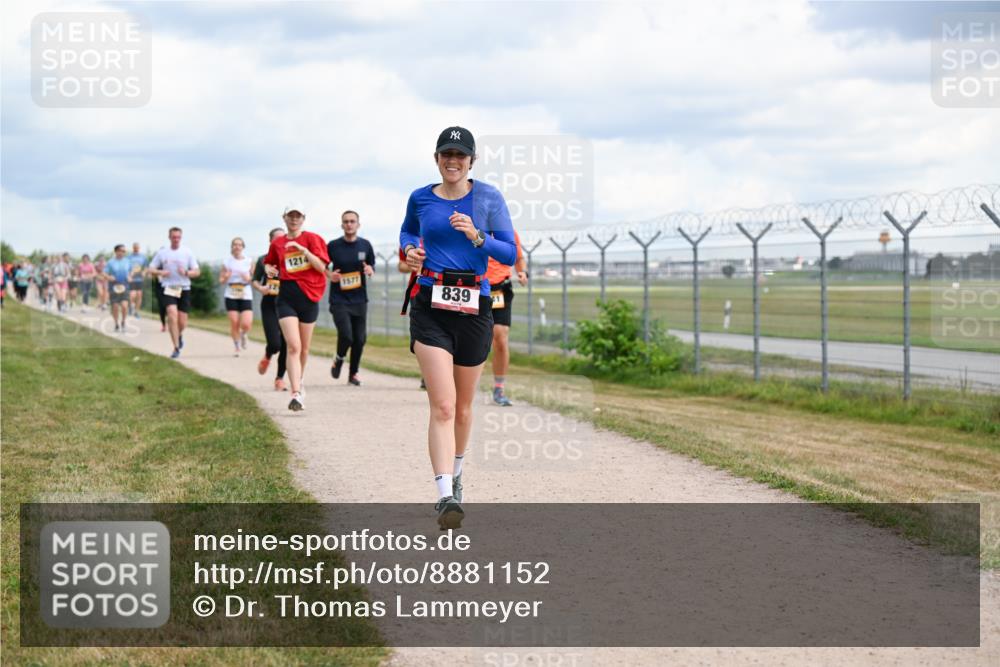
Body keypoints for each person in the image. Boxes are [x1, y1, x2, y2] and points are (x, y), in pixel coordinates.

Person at [399, 125, 516, 529]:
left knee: (464, 408)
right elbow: (407, 233)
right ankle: (444, 493)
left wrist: (478, 236)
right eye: (446, 154)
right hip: (430, 301)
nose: (453, 161)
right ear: (436, 159)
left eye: (460, 155)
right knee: (444, 405)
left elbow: (510, 251)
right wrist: (411, 251)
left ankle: (458, 472)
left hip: (474, 303)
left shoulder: (488, 197)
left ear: (471, 161)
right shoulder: (420, 197)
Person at [263, 203, 330, 411]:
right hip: (286, 296)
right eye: (290, 216)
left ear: (303, 218)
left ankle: (299, 380)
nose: (294, 219)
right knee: (293, 346)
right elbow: (269, 262)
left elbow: (321, 267)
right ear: (284, 218)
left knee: (304, 349)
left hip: (309, 297)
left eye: (297, 216)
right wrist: (269, 268)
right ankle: (295, 393)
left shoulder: (313, 239)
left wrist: (304, 250)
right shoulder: (278, 243)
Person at [326, 210, 375, 386]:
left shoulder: (365, 245)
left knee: (360, 339)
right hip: (339, 299)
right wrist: (330, 274)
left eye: (352, 221)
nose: (349, 224)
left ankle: (353, 373)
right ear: (342, 225)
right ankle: (339, 358)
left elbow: (371, 265)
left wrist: (370, 271)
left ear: (358, 224)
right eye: (346, 221)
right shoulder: (332, 246)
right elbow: (322, 265)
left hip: (359, 299)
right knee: (347, 335)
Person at [485, 231, 528, 406]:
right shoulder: (471, 225)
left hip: (500, 290)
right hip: (475, 288)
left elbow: (518, 258)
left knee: (500, 337)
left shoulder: (508, 231)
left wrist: (522, 272)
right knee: (472, 340)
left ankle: (499, 387)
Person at [149, 227, 200, 358]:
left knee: (182, 322)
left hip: (184, 288)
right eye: (174, 237)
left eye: (178, 237)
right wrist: (161, 272)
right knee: (172, 315)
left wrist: (187, 273)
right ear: (169, 237)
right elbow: (151, 269)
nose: (176, 239)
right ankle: (176, 347)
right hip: (169, 288)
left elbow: (197, 272)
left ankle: (179, 334)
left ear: (181, 238)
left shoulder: (187, 252)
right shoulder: (163, 253)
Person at [252, 228, 288, 391]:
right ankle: (268, 355)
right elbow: (254, 280)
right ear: (270, 242)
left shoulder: (292, 258)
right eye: (277, 239)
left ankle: (279, 378)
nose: (281, 242)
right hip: (270, 305)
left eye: (284, 238)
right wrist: (261, 288)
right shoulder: (263, 260)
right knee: (275, 344)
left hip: (288, 304)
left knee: (288, 343)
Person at [220, 237, 254, 356]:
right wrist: (226, 276)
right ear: (232, 247)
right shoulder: (226, 262)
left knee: (246, 323)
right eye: (235, 244)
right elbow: (221, 280)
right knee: (234, 321)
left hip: (245, 292)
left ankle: (243, 334)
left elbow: (255, 280)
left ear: (243, 247)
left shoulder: (249, 261)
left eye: (239, 245)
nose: (237, 247)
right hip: (231, 293)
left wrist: (248, 278)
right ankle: (237, 346)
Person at [398, 244, 426, 390]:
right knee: (421, 336)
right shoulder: (411, 238)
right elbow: (401, 265)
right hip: (418, 291)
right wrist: (414, 265)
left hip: (442, 292)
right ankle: (427, 374)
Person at [104, 244, 132, 332]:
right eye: (121, 251)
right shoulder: (110, 262)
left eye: (124, 251)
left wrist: (130, 277)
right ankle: (116, 323)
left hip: (125, 285)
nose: (122, 253)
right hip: (113, 286)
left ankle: (123, 322)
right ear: (116, 251)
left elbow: (131, 272)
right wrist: (109, 277)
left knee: (124, 306)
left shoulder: (127, 261)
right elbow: (104, 273)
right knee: (115, 307)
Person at [128, 242, 148, 318]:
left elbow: (146, 267)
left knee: (139, 295)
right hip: (132, 279)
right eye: (134, 248)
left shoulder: (143, 257)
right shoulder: (129, 257)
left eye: (137, 248)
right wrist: (129, 275)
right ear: (133, 248)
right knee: (132, 295)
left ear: (139, 248)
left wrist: (144, 272)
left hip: (140, 279)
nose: (136, 249)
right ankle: (131, 306)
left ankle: (136, 312)